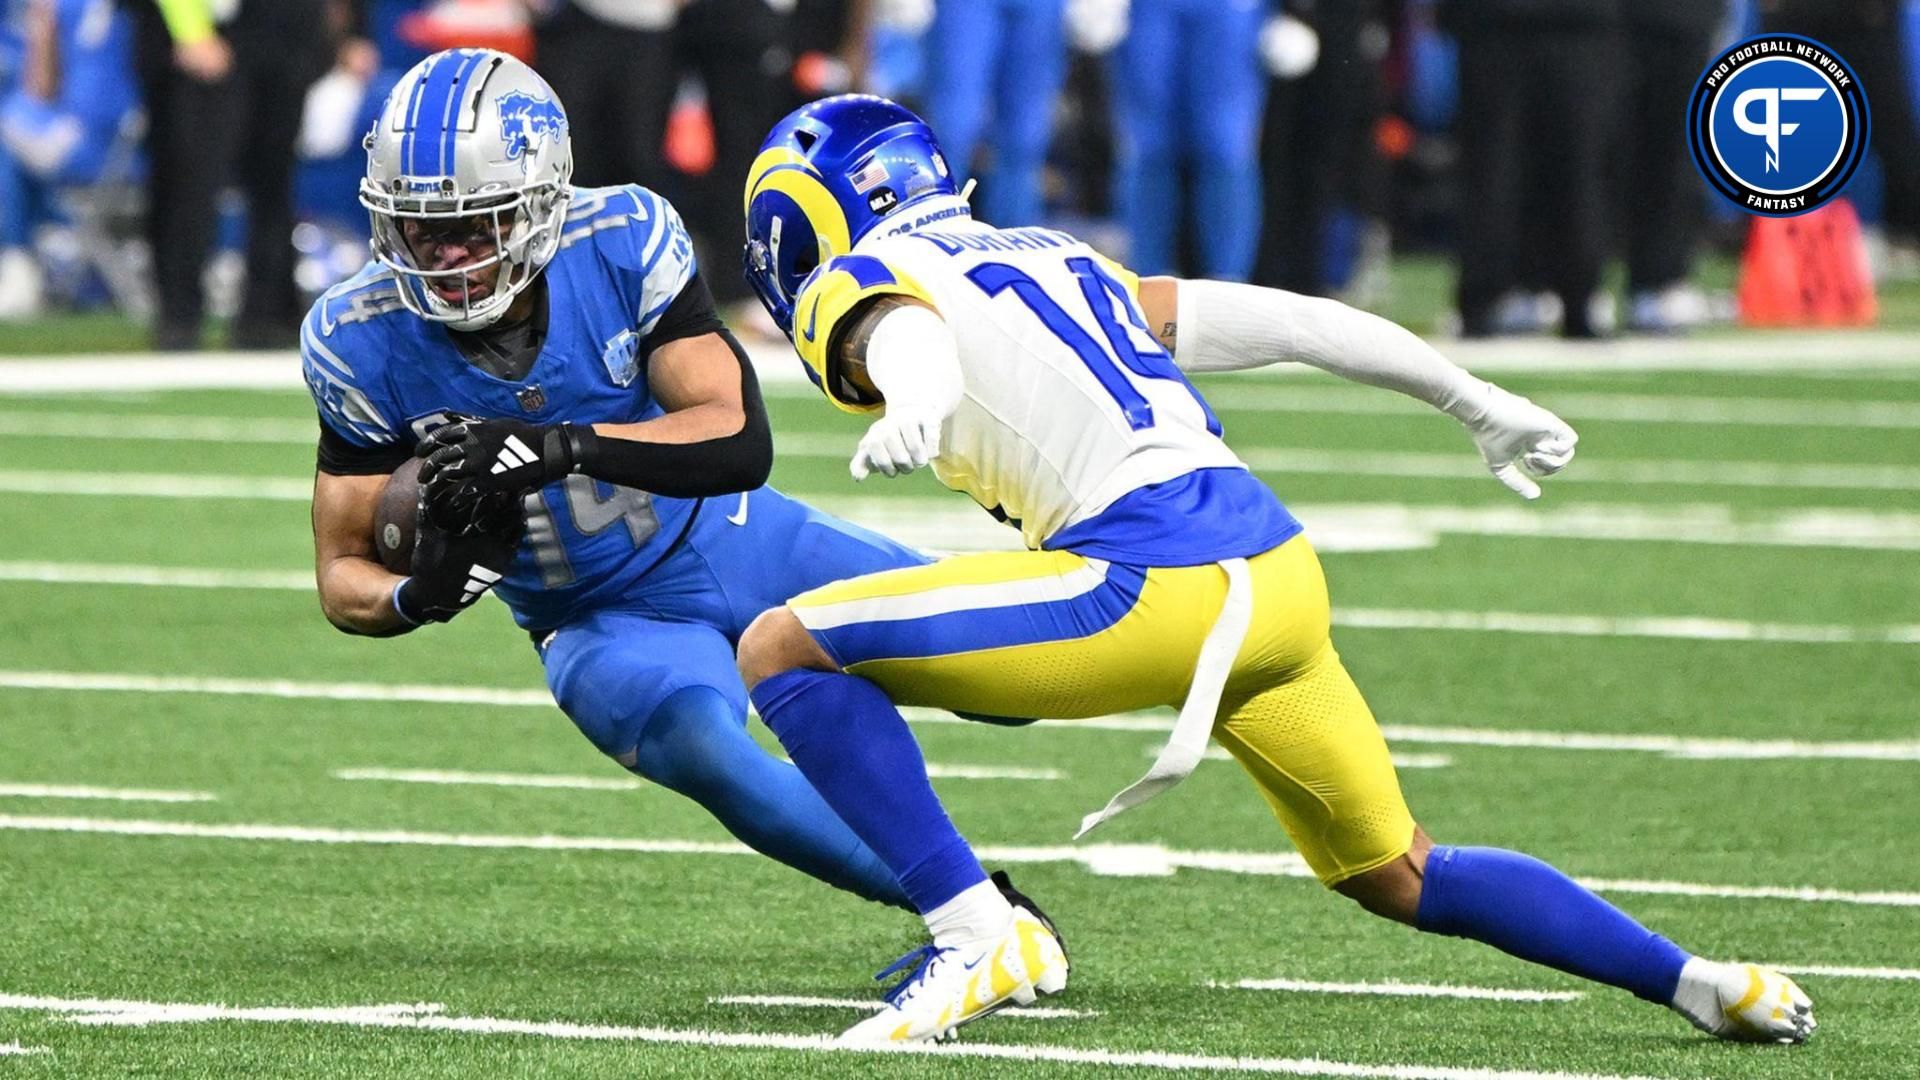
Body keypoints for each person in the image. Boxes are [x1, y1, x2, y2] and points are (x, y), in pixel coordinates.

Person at [734, 94, 1818, 1045]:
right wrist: (1473, 400)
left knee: (782, 647)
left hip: (1151, 586)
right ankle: (1700, 981)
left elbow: (899, 331)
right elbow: (1294, 322)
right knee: (1400, 874)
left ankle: (978, 935)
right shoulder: (1060, 254)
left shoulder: (861, 277)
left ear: (810, 216)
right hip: (1279, 579)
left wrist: (916, 396)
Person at [302, 49, 1056, 920]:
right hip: (594, 618)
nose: (449, 257)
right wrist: (417, 596)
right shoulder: (355, 336)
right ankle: (977, 911)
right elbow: (341, 572)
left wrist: (554, 447)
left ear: (543, 200)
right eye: (423, 230)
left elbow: (736, 439)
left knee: (1009, 679)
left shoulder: (619, 240)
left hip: (736, 531)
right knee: (709, 750)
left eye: (480, 225)